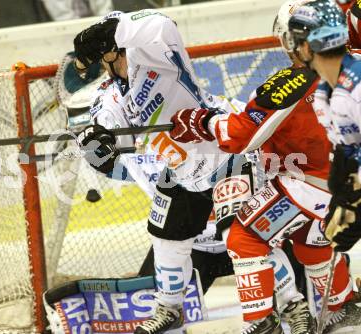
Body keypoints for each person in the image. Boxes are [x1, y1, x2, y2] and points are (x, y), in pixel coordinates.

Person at [169, 0, 359, 333]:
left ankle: (261, 322)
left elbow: (241, 135)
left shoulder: (291, 82)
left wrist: (202, 121)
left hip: (309, 184)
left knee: (244, 236)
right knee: (311, 244)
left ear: (300, 42)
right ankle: (343, 308)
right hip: (347, 186)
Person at [72, 9, 256, 334]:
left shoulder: (157, 56)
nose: (104, 66)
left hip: (224, 156)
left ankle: (285, 304)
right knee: (165, 235)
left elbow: (161, 22)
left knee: (253, 238)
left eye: (106, 55)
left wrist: (114, 29)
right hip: (184, 172)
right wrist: (98, 131)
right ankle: (169, 310)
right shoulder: (114, 89)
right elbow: (106, 115)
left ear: (117, 48)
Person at [289, 0, 361, 295]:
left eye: (296, 41)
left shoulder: (354, 90)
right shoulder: (324, 93)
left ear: (308, 46)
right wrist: (340, 193)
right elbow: (348, 151)